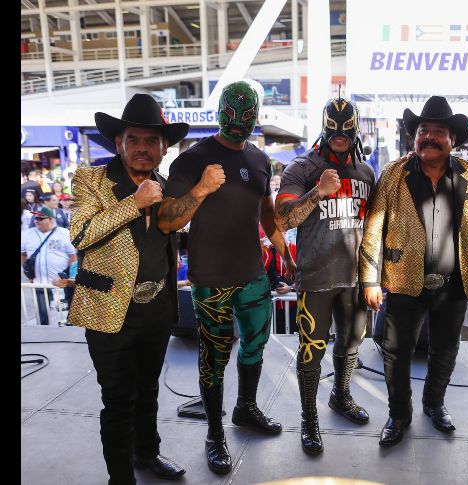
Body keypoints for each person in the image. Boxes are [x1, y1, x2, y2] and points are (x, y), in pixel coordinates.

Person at [158, 80, 295, 475]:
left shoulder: (258, 159)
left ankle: (246, 409)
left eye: (246, 114)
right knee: (213, 359)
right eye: (231, 112)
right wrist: (202, 188)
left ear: (256, 116)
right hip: (211, 278)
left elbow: (266, 209)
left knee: (256, 344)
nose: (238, 121)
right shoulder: (192, 159)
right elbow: (168, 220)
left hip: (253, 273)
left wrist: (281, 245)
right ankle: (214, 435)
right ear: (220, 111)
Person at [67, 93, 189, 484]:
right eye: (134, 139)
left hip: (156, 309)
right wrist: (133, 204)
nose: (142, 148)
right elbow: (80, 234)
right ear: (119, 142)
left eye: (151, 141)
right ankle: (120, 478)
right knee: (119, 401)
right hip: (107, 312)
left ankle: (147, 453)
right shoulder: (92, 180)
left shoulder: (165, 185)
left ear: (163, 147)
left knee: (149, 390)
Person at [359, 96, 468, 446]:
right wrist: (370, 280)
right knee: (396, 354)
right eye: (423, 131)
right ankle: (399, 415)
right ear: (414, 137)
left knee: (445, 351)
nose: (429, 137)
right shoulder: (393, 175)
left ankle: (435, 404)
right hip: (403, 281)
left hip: (455, 282)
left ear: (452, 140)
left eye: (438, 131)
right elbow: (374, 228)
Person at [275, 94, 375, 454]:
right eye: (334, 131)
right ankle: (308, 419)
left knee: (350, 346)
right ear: (324, 127)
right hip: (315, 279)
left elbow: (373, 228)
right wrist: (319, 191)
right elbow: (284, 218)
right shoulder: (301, 168)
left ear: (354, 130)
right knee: (311, 352)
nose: (340, 137)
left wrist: (373, 277)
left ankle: (340, 397)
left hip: (354, 278)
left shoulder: (366, 172)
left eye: (346, 131)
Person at [21, 206, 77, 326]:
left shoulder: (64, 233)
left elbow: (73, 257)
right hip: (39, 283)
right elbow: (23, 254)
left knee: (61, 315)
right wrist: (29, 273)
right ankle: (43, 337)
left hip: (60, 284)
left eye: (41, 218)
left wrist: (67, 275)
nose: (37, 221)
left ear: (51, 219)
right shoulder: (27, 234)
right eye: (36, 218)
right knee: (42, 316)